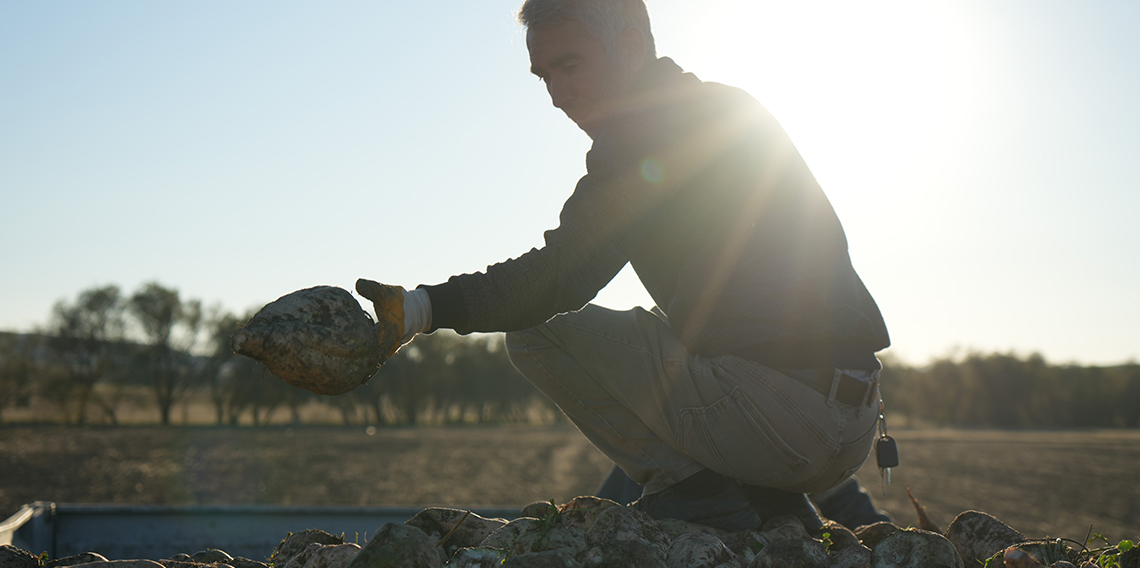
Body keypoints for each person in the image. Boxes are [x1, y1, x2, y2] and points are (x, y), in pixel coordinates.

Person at [356, 0, 891, 533]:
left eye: (571, 65)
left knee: (537, 331)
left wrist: (422, 308)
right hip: (852, 424)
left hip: (783, 419)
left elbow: (564, 273)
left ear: (632, 46)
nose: (557, 95)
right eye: (544, 75)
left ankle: (696, 496)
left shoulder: (643, 132)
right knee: (674, 326)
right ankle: (771, 507)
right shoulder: (728, 107)